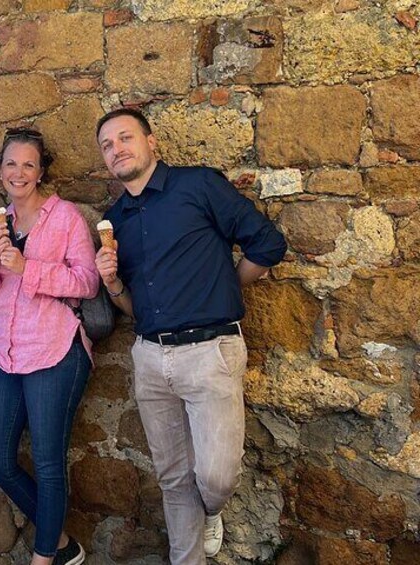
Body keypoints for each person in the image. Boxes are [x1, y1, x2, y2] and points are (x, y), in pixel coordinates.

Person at [93, 108, 287, 564]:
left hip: (211, 352)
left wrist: (224, 285)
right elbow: (132, 309)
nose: (117, 149)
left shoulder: (198, 185)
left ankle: (212, 511)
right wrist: (113, 284)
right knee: (172, 477)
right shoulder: (113, 219)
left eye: (125, 138)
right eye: (107, 145)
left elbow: (268, 243)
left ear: (151, 141)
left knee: (215, 478)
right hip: (150, 357)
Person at [0, 129, 98, 565]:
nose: (19, 172)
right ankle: (61, 542)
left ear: (41, 170)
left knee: (47, 462)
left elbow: (86, 282)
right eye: (11, 164)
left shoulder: (65, 218)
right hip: (4, 353)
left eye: (28, 164)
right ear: (0, 170)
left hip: (54, 350)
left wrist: (29, 268)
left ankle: (44, 556)